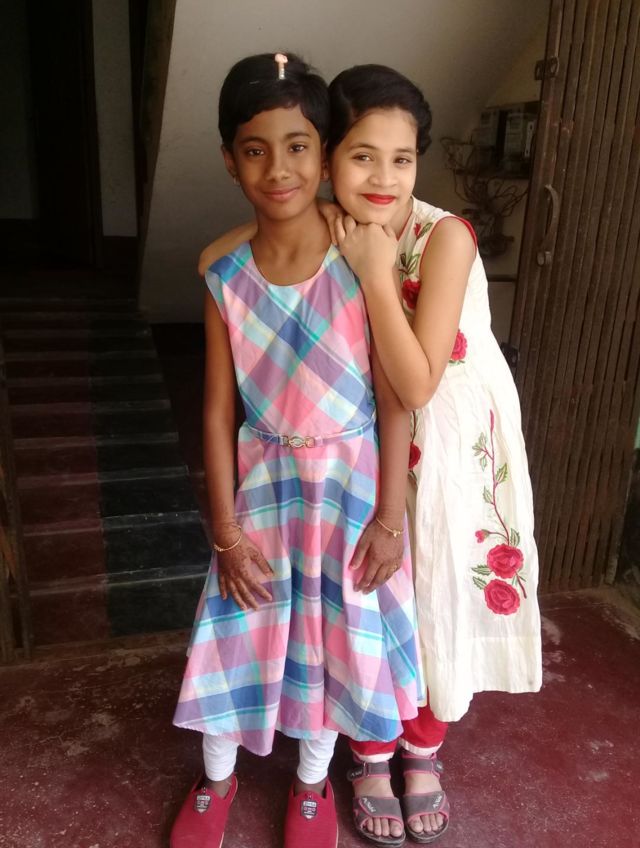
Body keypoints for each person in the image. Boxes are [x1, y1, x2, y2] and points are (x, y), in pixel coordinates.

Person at [199, 62, 543, 847]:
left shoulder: (441, 237)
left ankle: (422, 752)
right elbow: (224, 252)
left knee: (433, 601)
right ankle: (369, 755)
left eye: (403, 158)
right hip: (366, 454)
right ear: (329, 161)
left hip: (443, 445)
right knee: (367, 603)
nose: (384, 177)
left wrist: (377, 272)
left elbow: (415, 385)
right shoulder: (336, 221)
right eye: (362, 157)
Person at [171, 54, 424, 848]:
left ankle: (312, 785)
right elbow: (218, 411)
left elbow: (395, 400)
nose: (278, 168)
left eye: (298, 146)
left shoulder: (363, 256)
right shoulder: (223, 274)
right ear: (229, 158)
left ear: (323, 152)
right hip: (263, 493)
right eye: (254, 149)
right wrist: (225, 531)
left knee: (334, 643)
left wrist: (390, 518)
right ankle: (216, 779)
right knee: (236, 630)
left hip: (350, 493)